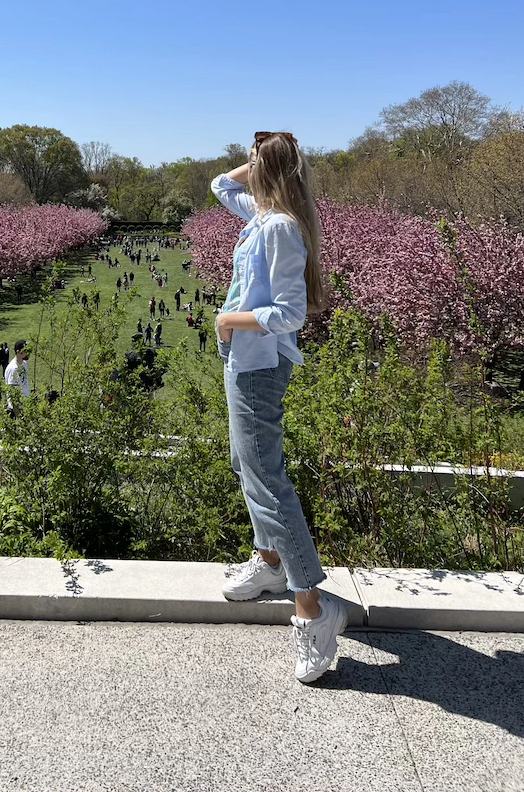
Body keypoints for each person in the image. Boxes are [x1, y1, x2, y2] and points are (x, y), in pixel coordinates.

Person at [211, 130, 348, 684]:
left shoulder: (281, 228)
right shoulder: (263, 216)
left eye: (254, 160)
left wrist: (229, 321)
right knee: (248, 466)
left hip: (260, 365)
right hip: (243, 363)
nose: (244, 167)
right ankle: (270, 564)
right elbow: (219, 184)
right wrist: (262, 163)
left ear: (271, 172)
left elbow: (291, 312)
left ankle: (313, 608)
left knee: (268, 479)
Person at [4, 340, 31, 410]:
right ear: (18, 352)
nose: (28, 353)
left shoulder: (24, 364)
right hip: (17, 410)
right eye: (25, 351)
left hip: (25, 405)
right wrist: (18, 418)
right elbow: (13, 395)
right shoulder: (13, 369)